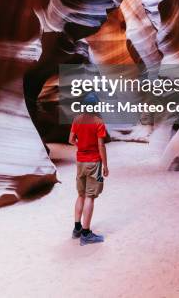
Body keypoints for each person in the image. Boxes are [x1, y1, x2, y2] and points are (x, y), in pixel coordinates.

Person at [69, 92, 109, 245]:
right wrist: (105, 165)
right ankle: (86, 234)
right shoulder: (98, 122)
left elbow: (71, 139)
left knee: (81, 195)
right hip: (94, 163)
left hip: (80, 162)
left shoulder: (77, 119)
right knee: (90, 196)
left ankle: (77, 228)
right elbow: (101, 145)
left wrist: (81, 147)